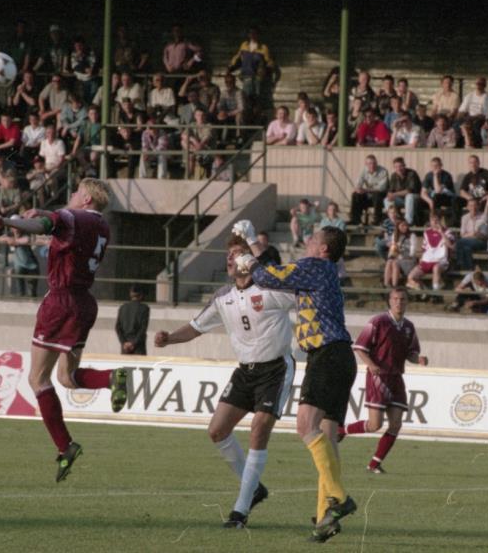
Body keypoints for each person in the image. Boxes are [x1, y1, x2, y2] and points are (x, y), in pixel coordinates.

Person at [0, 179, 128, 482]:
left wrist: (8, 221)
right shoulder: (102, 226)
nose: (72, 194)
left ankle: (66, 446)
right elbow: (56, 224)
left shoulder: (72, 217)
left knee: (37, 378)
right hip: (84, 302)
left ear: (86, 198)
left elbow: (45, 225)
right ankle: (109, 378)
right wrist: (42, 215)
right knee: (66, 376)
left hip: (60, 302)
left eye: (76, 192)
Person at [154, 236, 296, 529]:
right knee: (217, 431)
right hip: (245, 372)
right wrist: (169, 339)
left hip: (275, 370)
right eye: (228, 254)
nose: (230, 258)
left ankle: (240, 512)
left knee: (259, 428)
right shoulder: (223, 297)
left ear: (249, 260)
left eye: (237, 253)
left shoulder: (270, 290)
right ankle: (254, 488)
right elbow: (196, 327)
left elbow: (302, 297)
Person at [231, 220, 357, 542]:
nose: (308, 241)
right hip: (341, 356)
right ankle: (325, 517)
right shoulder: (322, 272)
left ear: (323, 249)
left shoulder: (314, 266)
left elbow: (266, 276)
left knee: (305, 425)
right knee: (326, 438)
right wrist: (253, 244)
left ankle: (340, 499)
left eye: (313, 239)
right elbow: (276, 272)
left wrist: (247, 259)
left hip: (325, 355)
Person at [339, 288, 427, 472]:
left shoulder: (409, 327)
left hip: (396, 378)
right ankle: (341, 431)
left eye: (402, 299)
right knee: (375, 425)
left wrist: (418, 359)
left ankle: (374, 464)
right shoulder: (378, 321)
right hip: (379, 377)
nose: (399, 302)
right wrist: (371, 365)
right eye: (395, 299)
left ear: (407, 302)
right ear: (389, 301)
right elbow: (360, 347)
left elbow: (411, 353)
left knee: (396, 424)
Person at [350, 154, 388, 226]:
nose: (372, 165)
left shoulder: (383, 171)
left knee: (377, 194)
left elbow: (381, 188)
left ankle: (377, 220)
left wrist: (365, 190)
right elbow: (358, 183)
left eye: (374, 163)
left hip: (380, 197)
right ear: (366, 164)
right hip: (368, 197)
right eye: (370, 163)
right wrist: (358, 189)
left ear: (376, 163)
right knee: (355, 195)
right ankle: (355, 219)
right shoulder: (363, 170)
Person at [115, 285, 150, 355]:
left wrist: (124, 342)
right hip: (138, 347)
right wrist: (133, 343)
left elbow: (118, 327)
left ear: (130, 294)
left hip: (125, 346)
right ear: (141, 295)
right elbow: (143, 329)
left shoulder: (123, 308)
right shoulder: (144, 308)